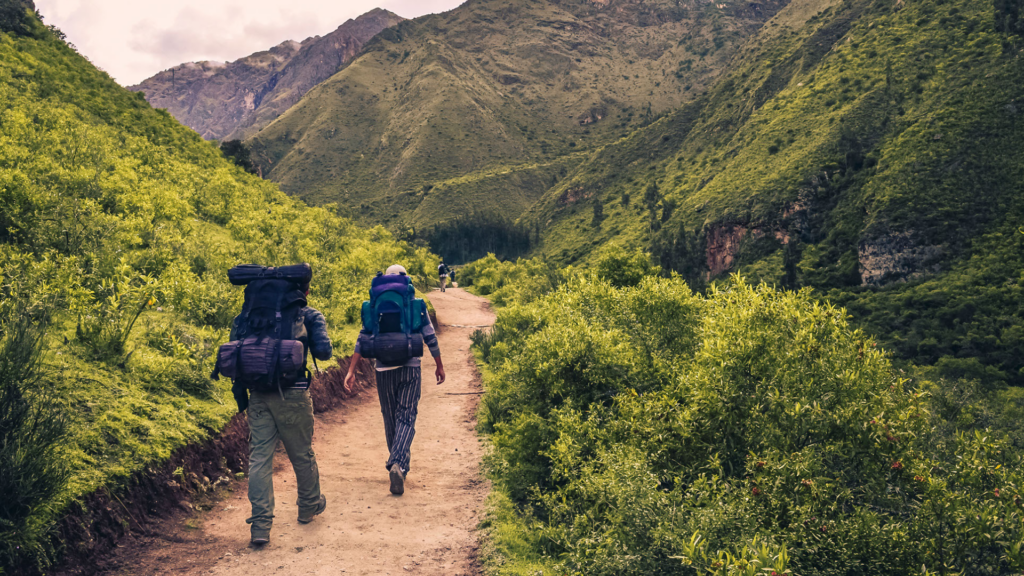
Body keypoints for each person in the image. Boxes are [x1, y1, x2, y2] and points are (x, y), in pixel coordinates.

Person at [220, 267, 333, 546]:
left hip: (257, 394)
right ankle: (308, 507)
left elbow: (237, 348)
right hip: (293, 394)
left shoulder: (246, 316)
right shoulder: (308, 314)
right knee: (301, 453)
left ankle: (260, 526)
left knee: (260, 459)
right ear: (303, 291)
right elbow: (324, 352)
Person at [344, 264, 445, 496]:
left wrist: (351, 370)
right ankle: (398, 463)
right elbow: (430, 336)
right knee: (407, 415)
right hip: (410, 367)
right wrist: (439, 365)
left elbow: (362, 338)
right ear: (405, 278)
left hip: (383, 369)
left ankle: (396, 463)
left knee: (390, 417)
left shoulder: (375, 304)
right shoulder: (414, 304)